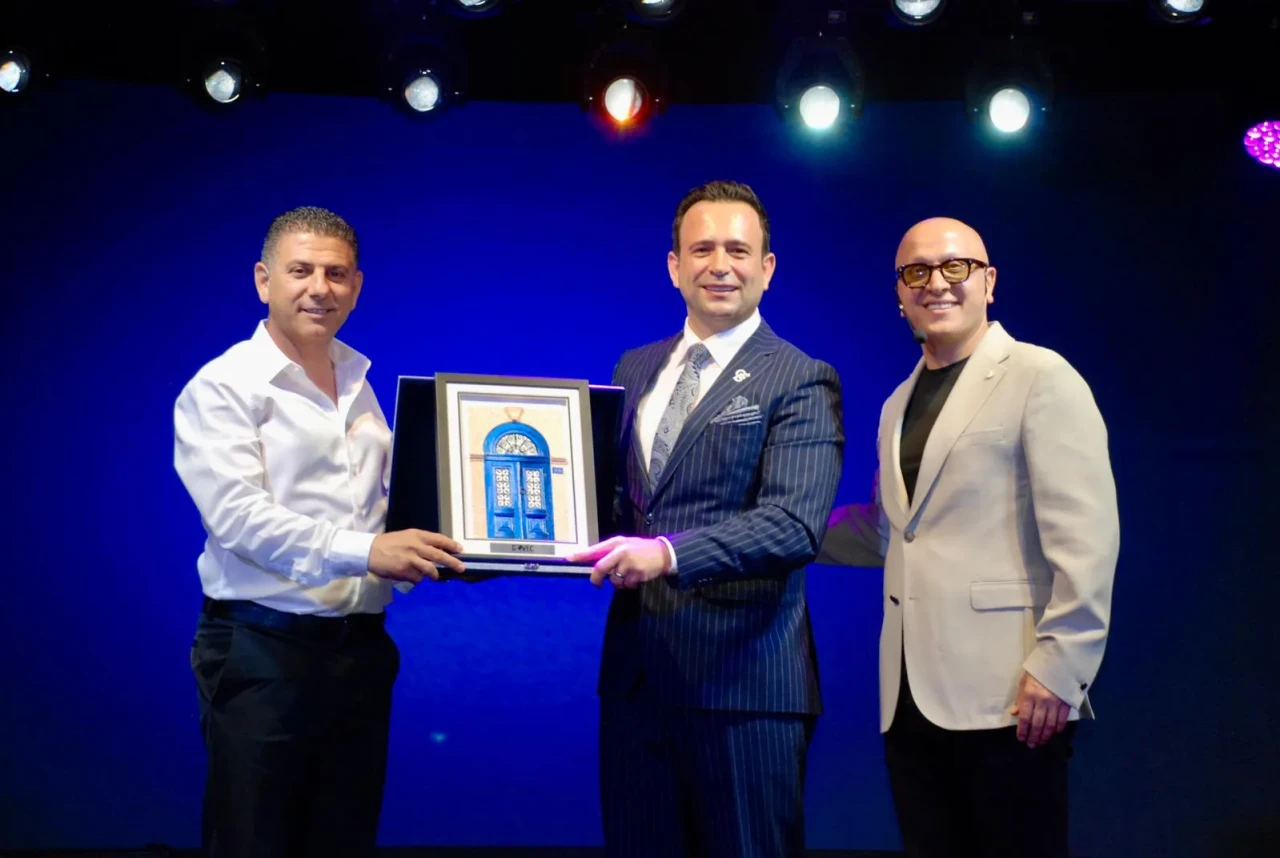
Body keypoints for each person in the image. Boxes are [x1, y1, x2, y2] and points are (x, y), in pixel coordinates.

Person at [817, 217, 1119, 858]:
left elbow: (1088, 537)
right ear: (899, 294)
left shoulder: (1040, 375)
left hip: (1012, 694)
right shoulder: (897, 403)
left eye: (956, 266)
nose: (937, 283)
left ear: (989, 282)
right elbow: (887, 534)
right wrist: (782, 528)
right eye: (917, 271)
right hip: (910, 697)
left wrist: (1061, 666)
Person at [173, 206, 466, 858]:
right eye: (300, 271)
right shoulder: (222, 387)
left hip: (360, 653)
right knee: (254, 843)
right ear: (263, 280)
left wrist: (453, 546)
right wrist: (371, 552)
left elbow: (380, 511)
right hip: (261, 652)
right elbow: (239, 518)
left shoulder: (358, 383)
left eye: (336, 274)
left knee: (342, 841)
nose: (319, 288)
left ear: (356, 287)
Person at [568, 180, 844, 858]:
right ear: (674, 266)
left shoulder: (801, 377)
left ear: (767, 268)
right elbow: (612, 506)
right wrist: (502, 540)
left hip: (744, 686)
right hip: (636, 681)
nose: (720, 265)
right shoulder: (635, 367)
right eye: (702, 249)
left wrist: (666, 554)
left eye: (738, 251)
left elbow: (792, 525)